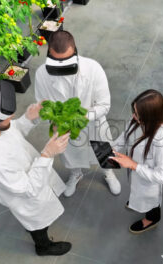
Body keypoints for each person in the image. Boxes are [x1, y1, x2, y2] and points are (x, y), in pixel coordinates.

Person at [0, 88, 71, 256]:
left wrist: (28, 118)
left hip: (32, 175)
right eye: (9, 117)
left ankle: (35, 231)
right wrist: (47, 153)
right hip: (27, 196)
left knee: (35, 218)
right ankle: (43, 246)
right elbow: (29, 189)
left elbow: (12, 131)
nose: (11, 119)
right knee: (37, 222)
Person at [34, 30, 120, 197]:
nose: (62, 67)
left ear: (75, 52)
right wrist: (55, 119)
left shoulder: (93, 69)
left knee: (103, 149)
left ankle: (108, 173)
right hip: (64, 127)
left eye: (66, 61)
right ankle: (76, 173)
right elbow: (43, 105)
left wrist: (82, 117)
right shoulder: (41, 74)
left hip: (94, 122)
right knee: (71, 153)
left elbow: (104, 104)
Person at [110, 90, 163, 234]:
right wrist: (112, 149)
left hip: (148, 183)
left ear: (150, 116)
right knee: (137, 192)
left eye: (137, 114)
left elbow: (162, 176)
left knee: (151, 202)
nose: (133, 116)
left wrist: (133, 165)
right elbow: (124, 136)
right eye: (134, 111)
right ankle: (136, 201)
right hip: (136, 174)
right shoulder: (136, 121)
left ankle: (153, 218)